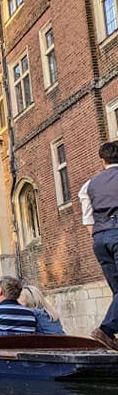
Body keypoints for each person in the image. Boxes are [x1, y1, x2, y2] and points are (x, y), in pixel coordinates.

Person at [78, 140, 118, 350]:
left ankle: (109, 333)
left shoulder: (89, 185)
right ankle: (106, 330)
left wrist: (100, 238)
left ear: (103, 161)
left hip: (100, 239)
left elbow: (88, 222)